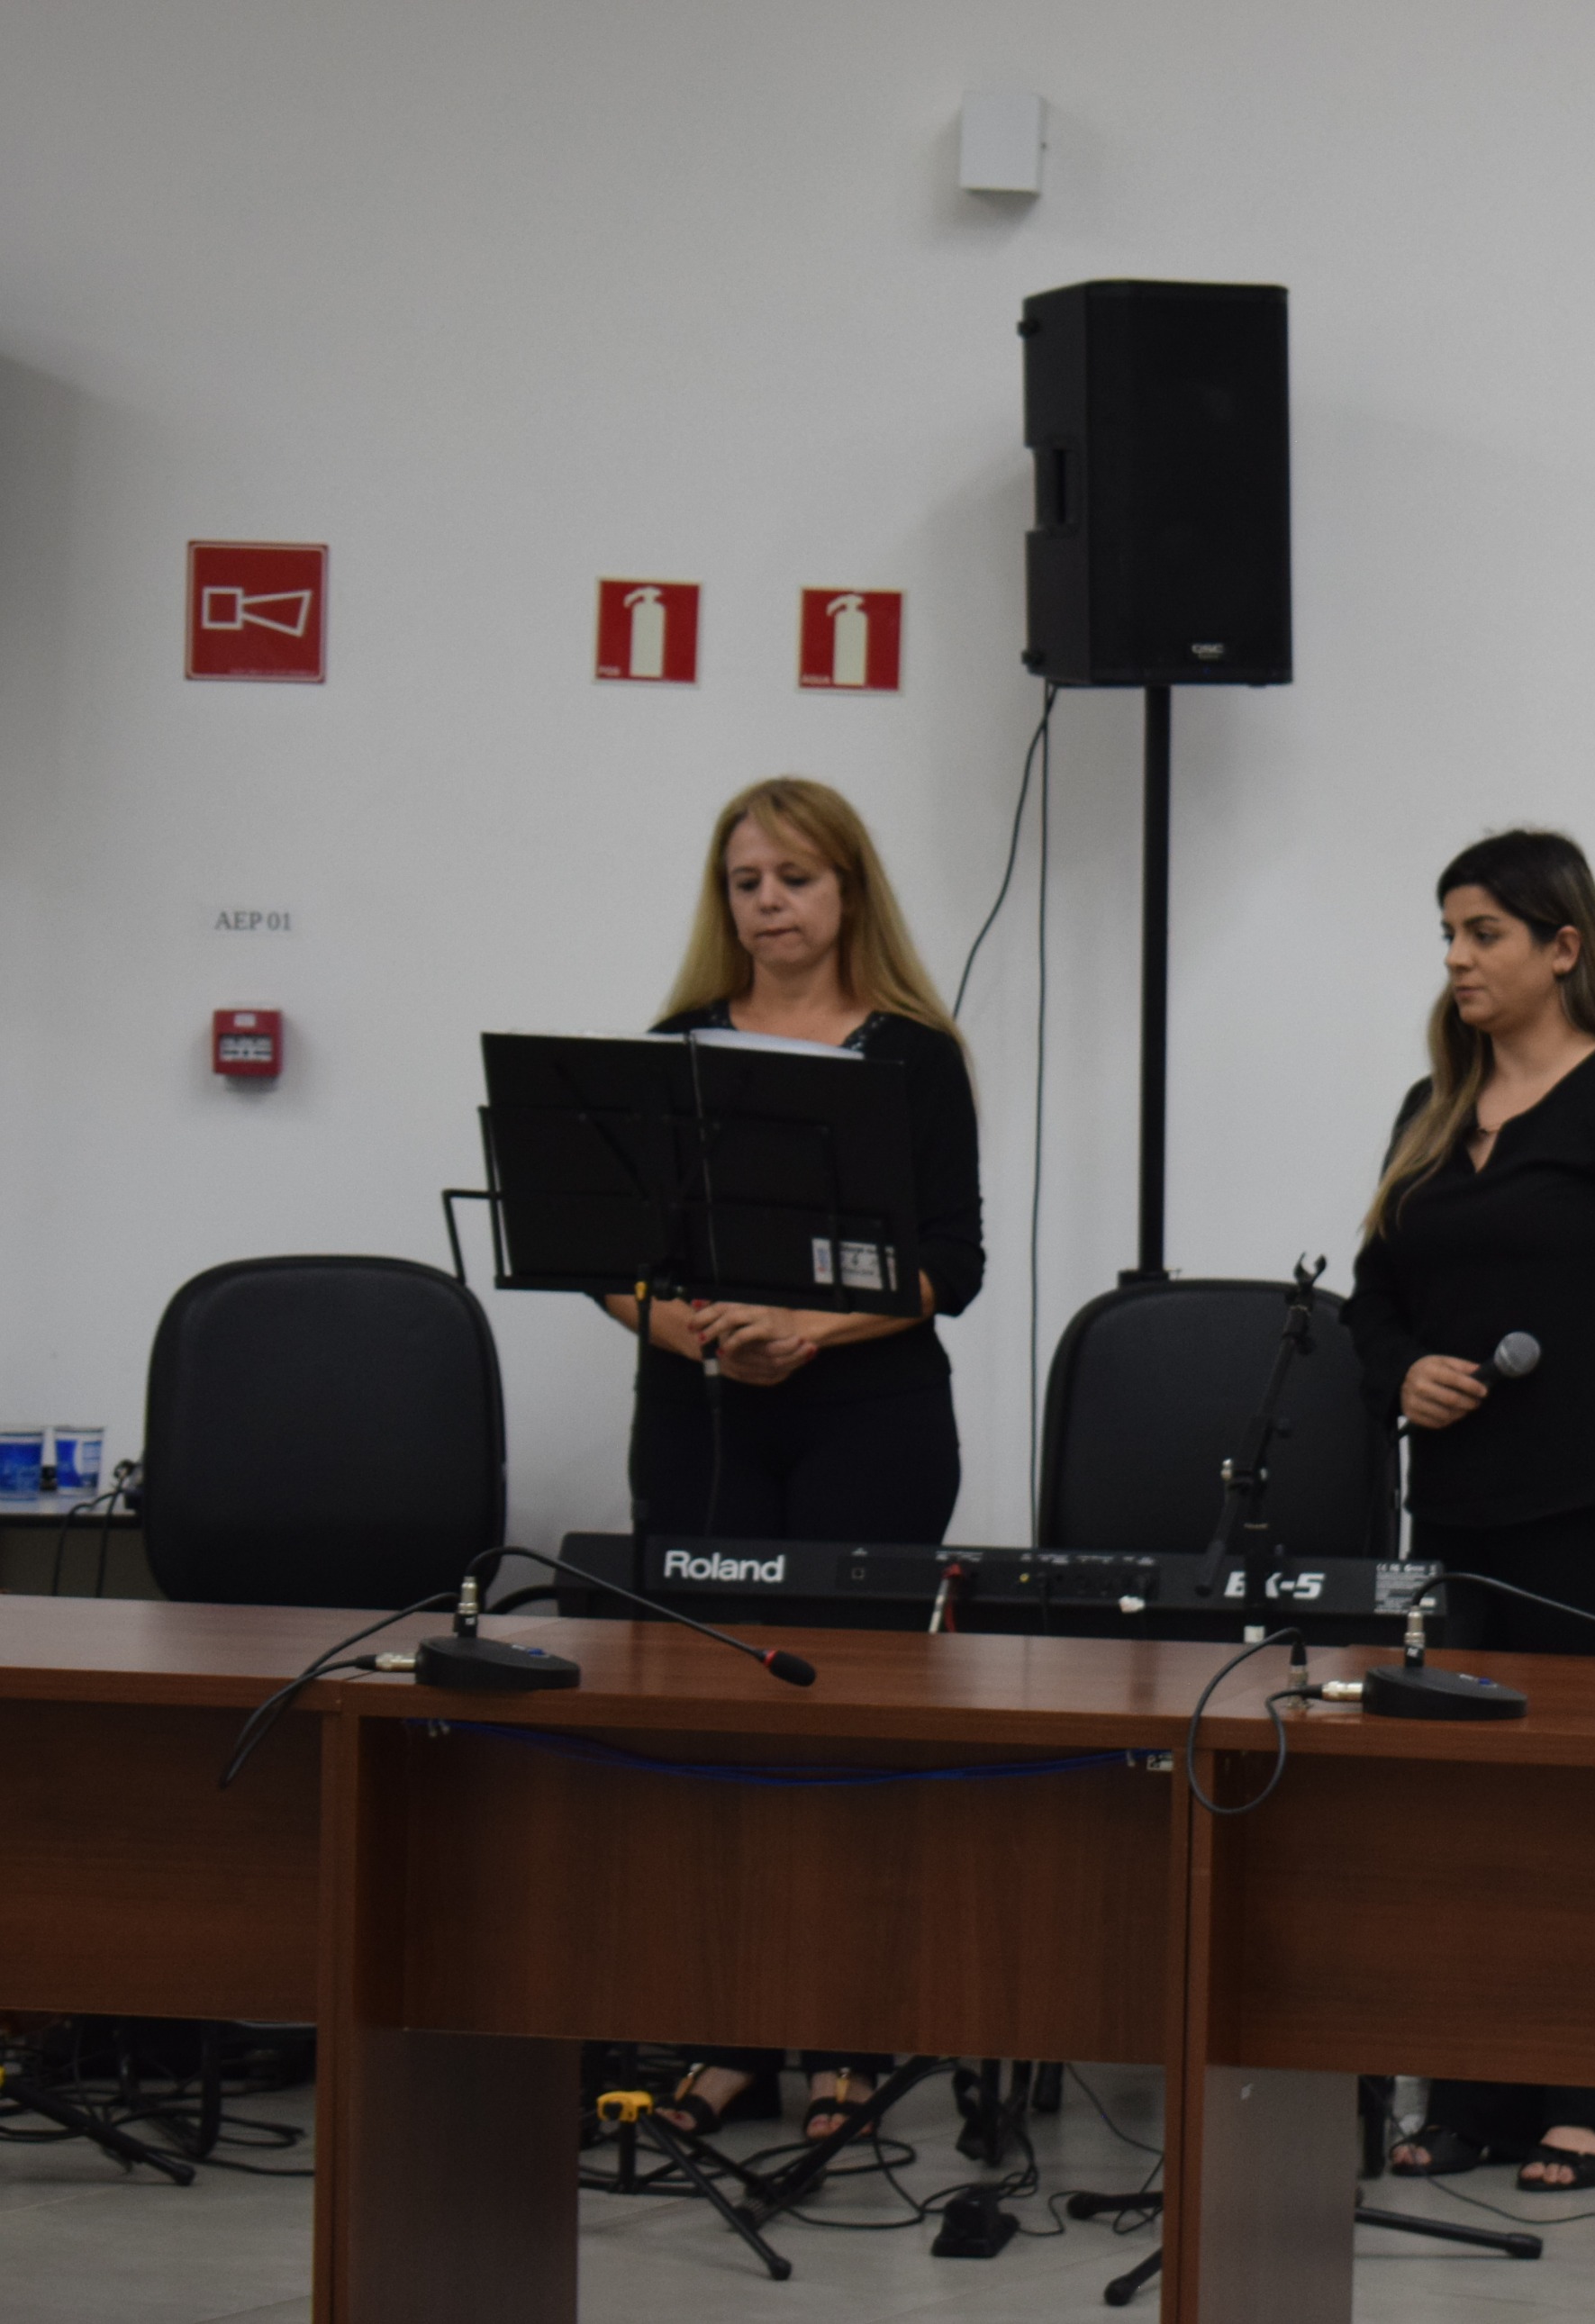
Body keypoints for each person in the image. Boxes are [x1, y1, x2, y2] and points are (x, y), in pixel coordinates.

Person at [1348, 829, 1595, 2193]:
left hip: (1594, 1502)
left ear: (1561, 946)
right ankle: (1471, 2095)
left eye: (1484, 933)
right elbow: (1374, 1302)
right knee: (1466, 1804)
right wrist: (1402, 1375)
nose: (1458, 958)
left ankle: (1593, 2101)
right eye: (1448, 933)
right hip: (1458, 1502)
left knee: (1581, 1796)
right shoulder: (1432, 1105)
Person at [612, 776, 984, 2147]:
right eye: (746, 881)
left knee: (846, 1732)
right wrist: (693, 1334)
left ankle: (848, 2039)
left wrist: (803, 1330)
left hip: (870, 1420)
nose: (769, 902)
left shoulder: (915, 1056)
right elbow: (612, 1253)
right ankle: (727, 2039)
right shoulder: (673, 1049)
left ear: (849, 891)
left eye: (796, 878)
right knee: (714, 1732)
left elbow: (952, 1262)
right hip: (703, 1416)